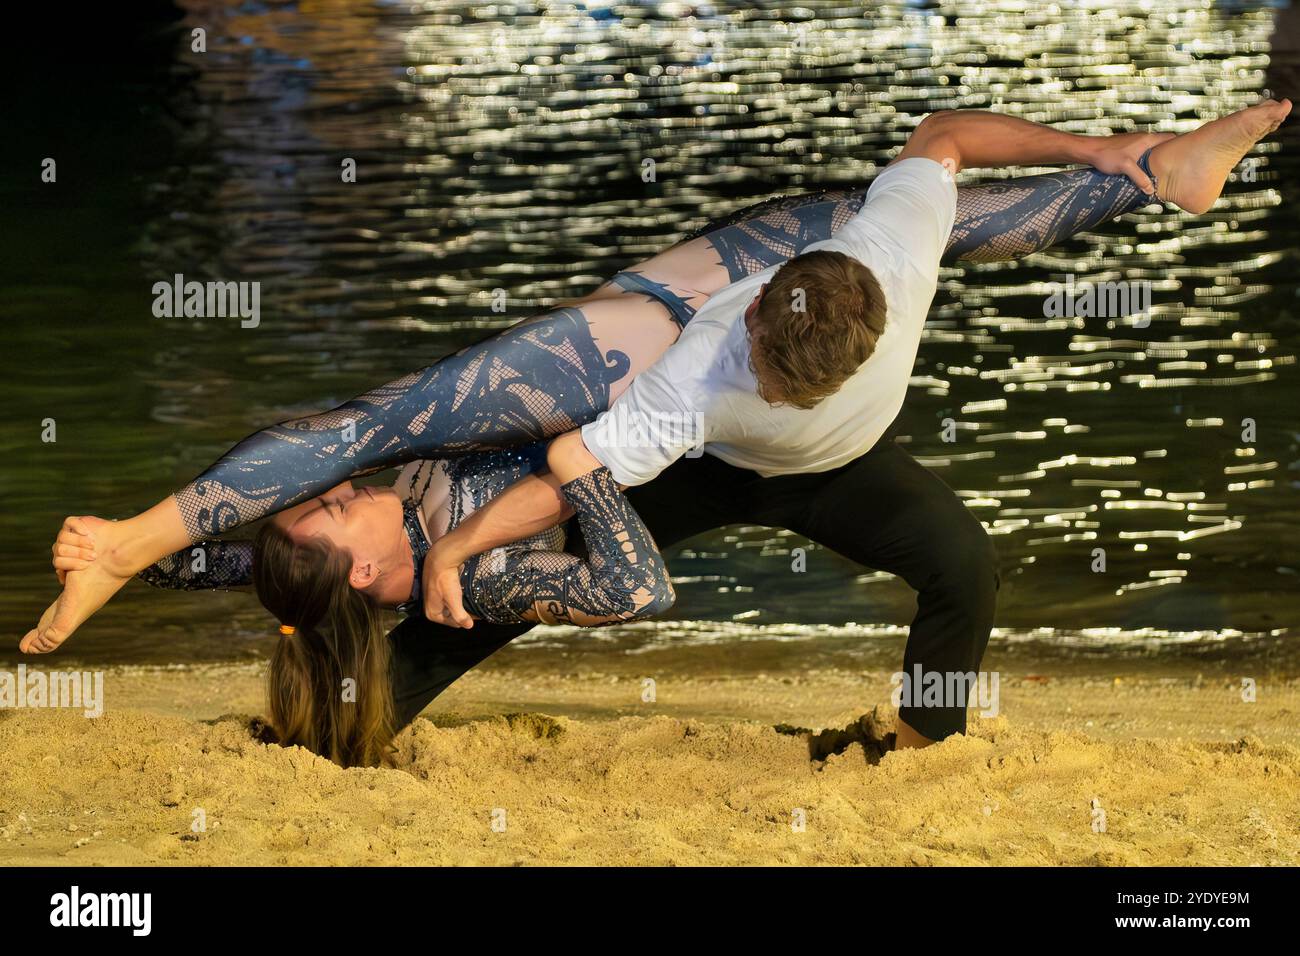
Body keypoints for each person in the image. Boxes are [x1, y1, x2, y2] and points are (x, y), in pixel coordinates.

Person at [34, 101, 1290, 759]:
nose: (328, 491)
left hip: (809, 464)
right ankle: (327, 710)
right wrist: (1125, 156)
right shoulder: (836, 286)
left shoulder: (765, 322)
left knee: (962, 564)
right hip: (685, 461)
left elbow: (532, 461)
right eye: (318, 516)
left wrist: (462, 549)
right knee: (454, 616)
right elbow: (949, 153)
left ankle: (917, 732)